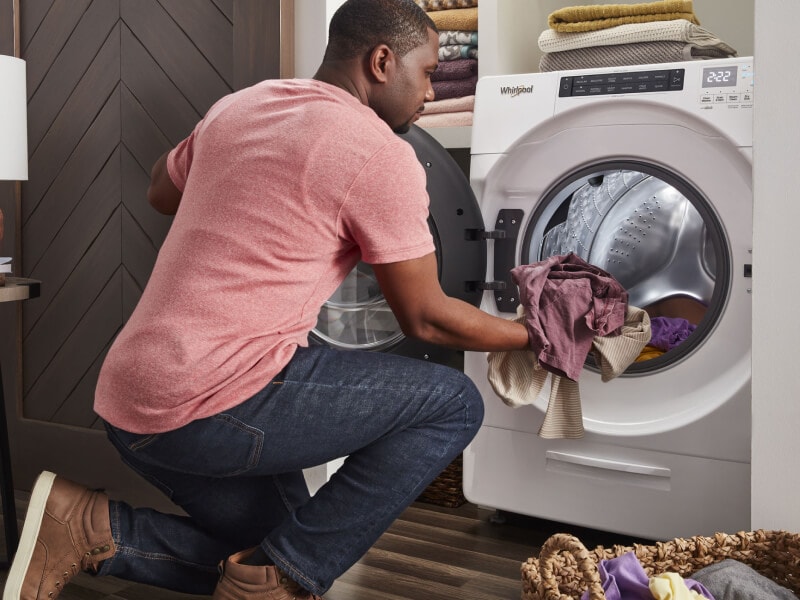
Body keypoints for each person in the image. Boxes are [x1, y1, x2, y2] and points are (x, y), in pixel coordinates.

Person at [3, 1, 529, 598]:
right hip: (210, 404)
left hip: (129, 397)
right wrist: (531, 334)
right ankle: (276, 581)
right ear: (383, 61)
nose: (431, 93)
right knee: (452, 402)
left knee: (283, 549)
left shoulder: (243, 105)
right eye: (429, 72)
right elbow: (427, 318)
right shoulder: (379, 151)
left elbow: (158, 190)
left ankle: (89, 527)